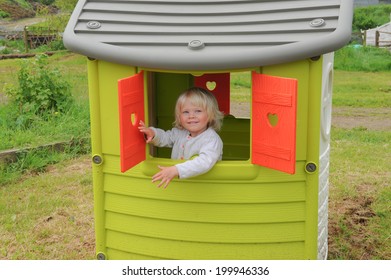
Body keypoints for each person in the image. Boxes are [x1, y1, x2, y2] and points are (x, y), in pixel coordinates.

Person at [139, 87, 224, 188]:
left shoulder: (211, 139)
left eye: (198, 111)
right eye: (185, 112)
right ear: (179, 117)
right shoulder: (180, 132)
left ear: (211, 115)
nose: (191, 116)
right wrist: (153, 133)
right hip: (180, 185)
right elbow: (166, 137)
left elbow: (204, 162)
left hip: (203, 186)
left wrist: (176, 170)